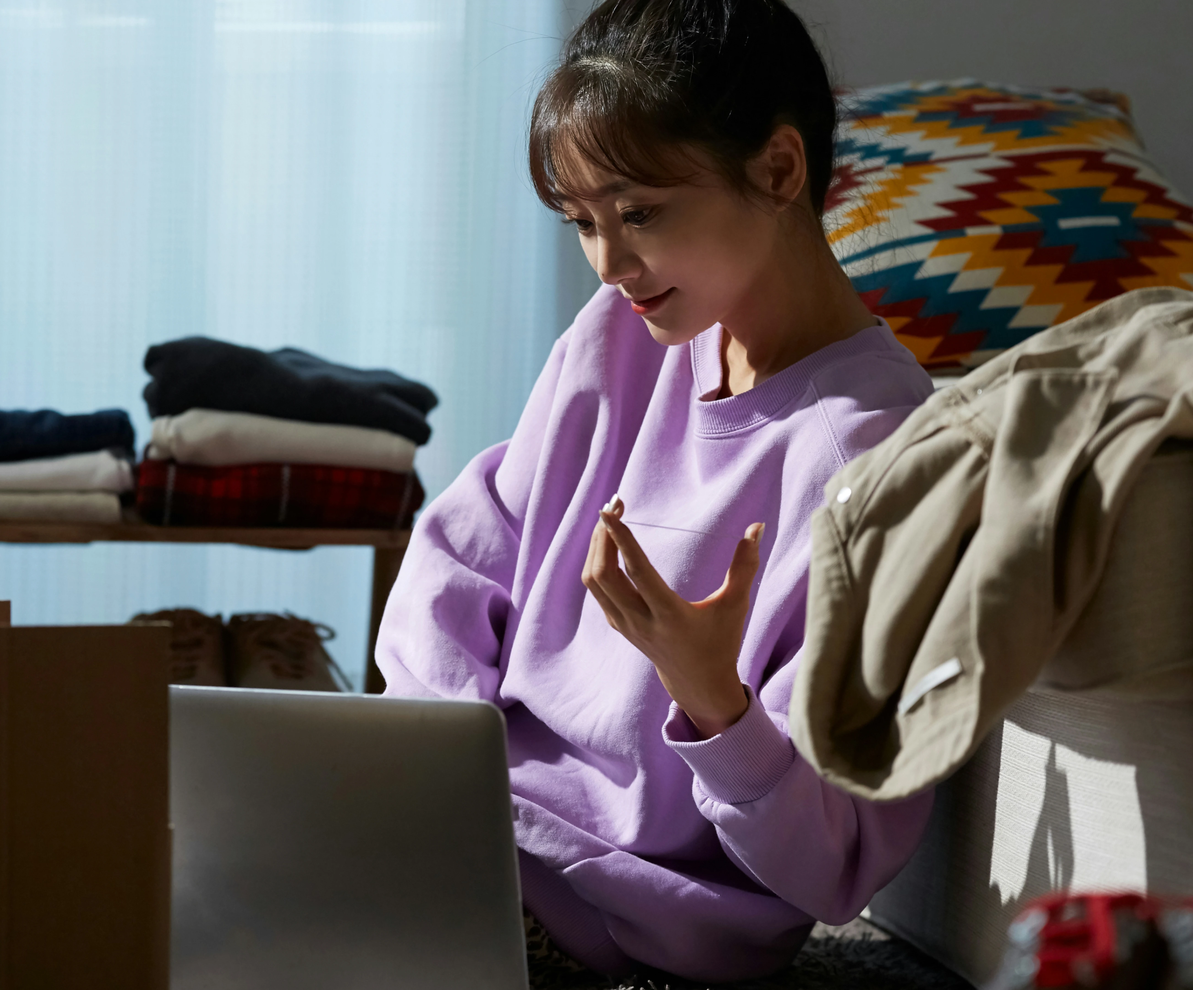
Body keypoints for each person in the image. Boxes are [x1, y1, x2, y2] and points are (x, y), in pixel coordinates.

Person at [377, 0, 937, 980]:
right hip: (460, 852)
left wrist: (712, 698)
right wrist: (434, 778)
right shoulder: (616, 338)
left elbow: (834, 864)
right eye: (582, 223)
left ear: (776, 169)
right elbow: (461, 560)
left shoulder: (874, 455)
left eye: (638, 214)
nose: (609, 263)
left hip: (601, 933)